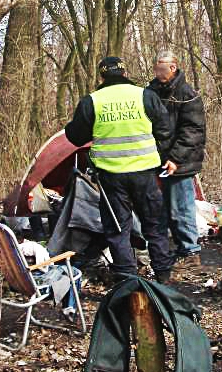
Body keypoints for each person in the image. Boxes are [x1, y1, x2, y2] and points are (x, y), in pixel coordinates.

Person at [64, 56, 177, 284]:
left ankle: (127, 279)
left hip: (111, 176)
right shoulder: (144, 95)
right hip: (145, 173)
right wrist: (165, 156)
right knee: (154, 224)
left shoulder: (93, 101)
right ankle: (163, 274)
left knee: (118, 228)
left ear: (101, 76)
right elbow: (166, 129)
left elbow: (76, 137)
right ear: (125, 73)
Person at [147, 51, 206, 270]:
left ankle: (190, 251)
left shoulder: (187, 94)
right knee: (158, 209)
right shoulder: (150, 92)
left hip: (180, 163)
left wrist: (175, 159)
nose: (158, 72)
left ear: (173, 68)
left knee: (181, 209)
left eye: (162, 68)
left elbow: (193, 131)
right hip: (154, 161)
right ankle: (165, 250)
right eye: (156, 68)